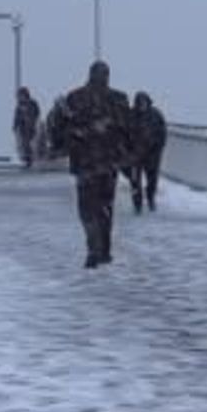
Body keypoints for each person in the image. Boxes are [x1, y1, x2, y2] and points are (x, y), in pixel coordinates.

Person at [51, 61, 131, 269]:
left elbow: (61, 129)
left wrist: (72, 136)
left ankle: (93, 248)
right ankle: (103, 250)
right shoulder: (119, 99)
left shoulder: (74, 98)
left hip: (85, 162)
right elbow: (128, 130)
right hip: (109, 163)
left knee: (87, 208)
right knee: (105, 206)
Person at [125, 91, 167, 213]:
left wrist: (158, 147)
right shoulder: (130, 115)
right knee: (135, 182)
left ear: (148, 102)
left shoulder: (156, 114)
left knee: (152, 180)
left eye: (143, 102)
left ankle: (150, 199)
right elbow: (123, 133)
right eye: (139, 102)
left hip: (152, 155)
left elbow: (162, 133)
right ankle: (137, 204)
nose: (141, 105)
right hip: (134, 156)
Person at [13, 87, 41, 169]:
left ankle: (32, 159)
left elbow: (36, 114)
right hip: (23, 129)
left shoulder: (32, 103)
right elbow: (17, 117)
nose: (20, 97)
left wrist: (32, 121)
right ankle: (27, 160)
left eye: (21, 95)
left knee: (31, 144)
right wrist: (15, 126)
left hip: (32, 128)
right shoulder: (19, 106)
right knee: (24, 145)